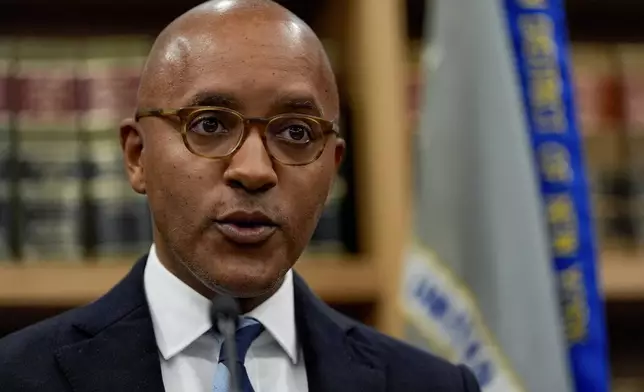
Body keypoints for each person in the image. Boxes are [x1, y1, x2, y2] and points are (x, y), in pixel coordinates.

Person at [0, 1, 481, 391]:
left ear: (332, 169)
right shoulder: (18, 375)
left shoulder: (430, 384)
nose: (254, 171)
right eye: (209, 125)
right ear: (137, 156)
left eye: (295, 132)